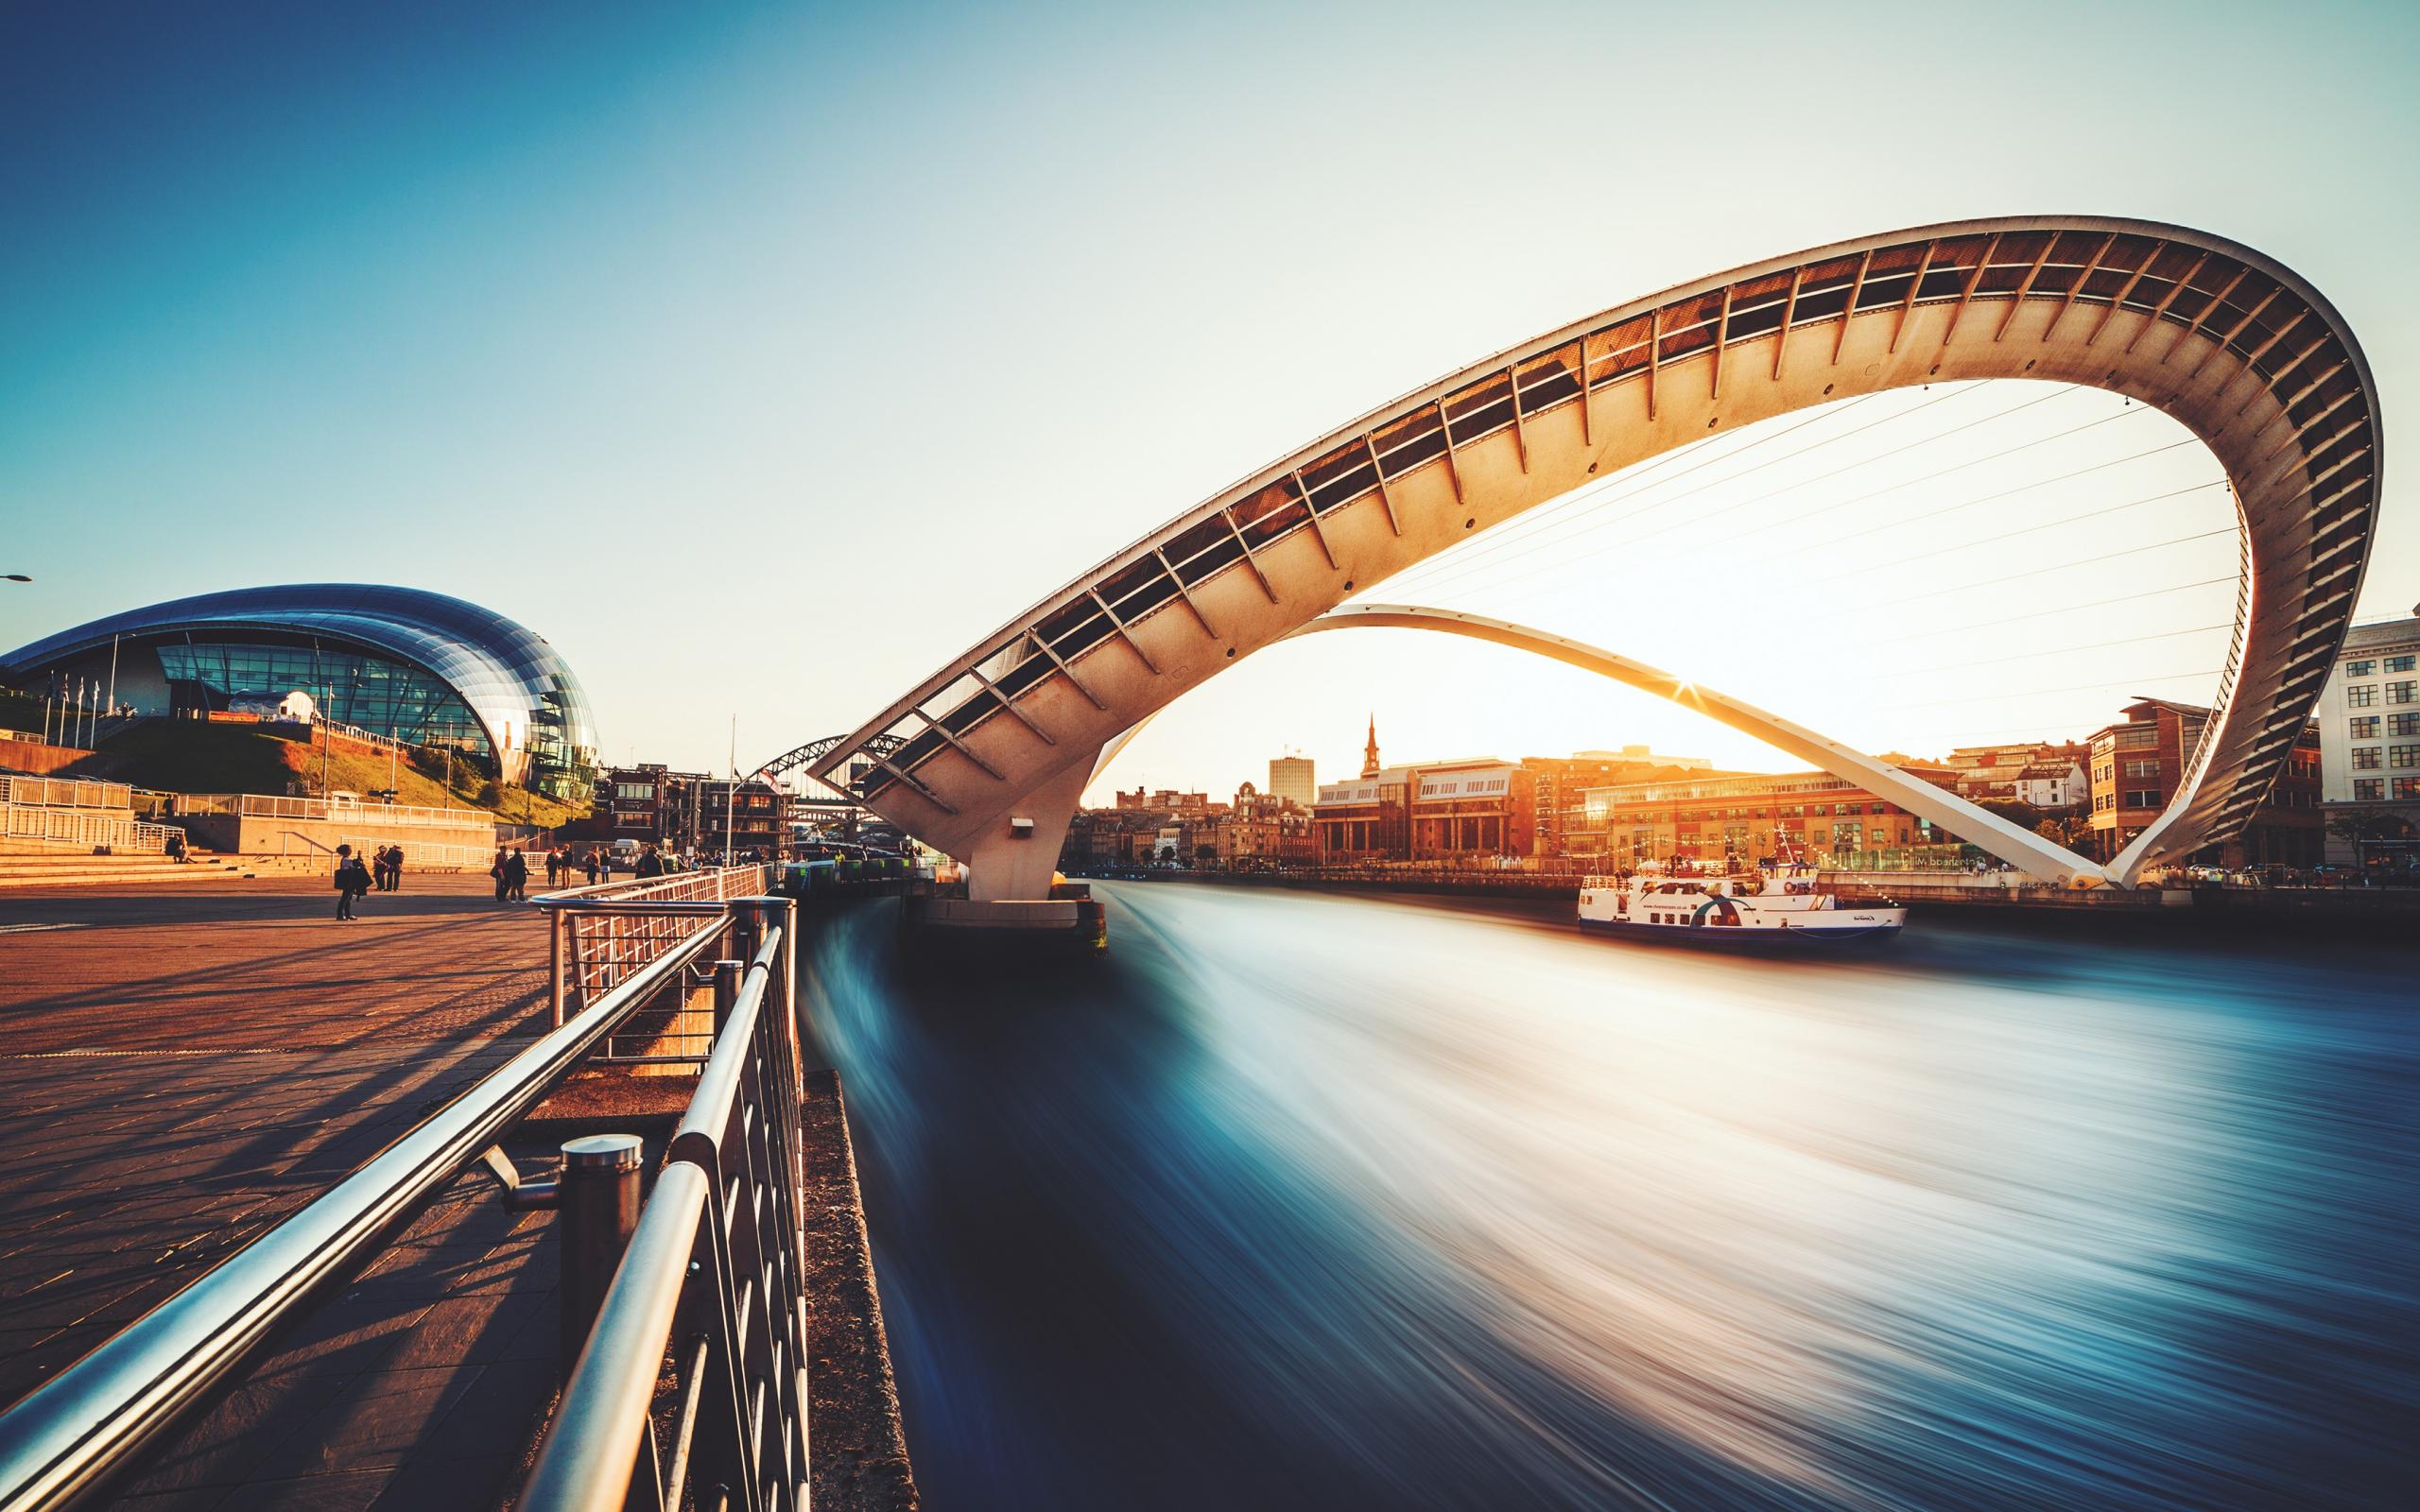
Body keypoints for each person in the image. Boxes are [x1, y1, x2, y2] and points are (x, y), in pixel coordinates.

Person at [333, 844, 372, 921]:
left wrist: (359, 858)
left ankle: (348, 915)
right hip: (348, 882)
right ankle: (340, 915)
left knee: (348, 899)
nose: (351, 851)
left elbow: (355, 863)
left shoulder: (347, 859)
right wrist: (359, 859)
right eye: (349, 850)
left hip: (350, 882)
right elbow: (355, 863)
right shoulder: (345, 860)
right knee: (345, 899)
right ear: (345, 851)